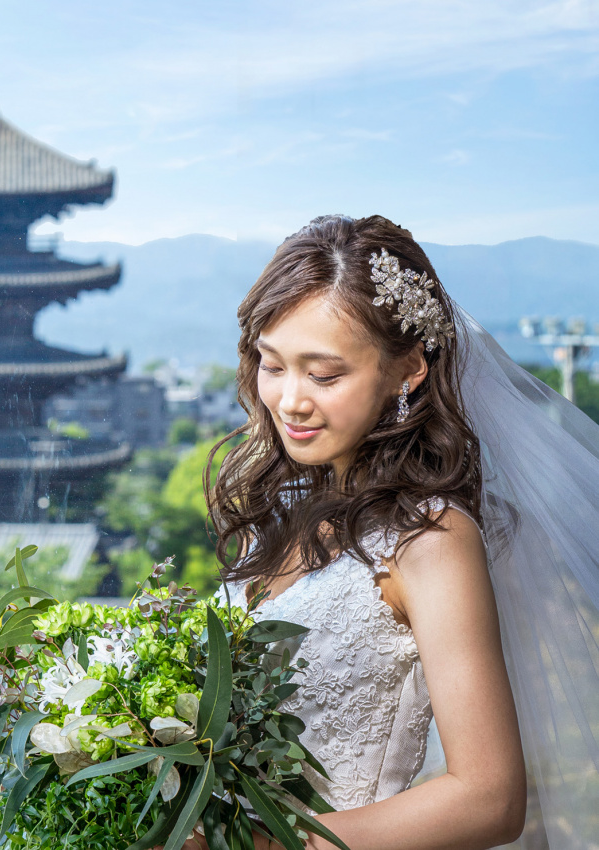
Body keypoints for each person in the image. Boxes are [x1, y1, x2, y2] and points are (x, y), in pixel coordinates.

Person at [179, 215, 599, 849]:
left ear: (408, 370)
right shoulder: (287, 511)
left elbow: (489, 799)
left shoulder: (429, 540)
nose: (290, 400)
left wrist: (262, 845)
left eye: (323, 375)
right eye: (271, 365)